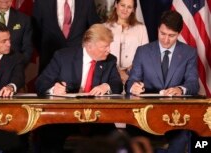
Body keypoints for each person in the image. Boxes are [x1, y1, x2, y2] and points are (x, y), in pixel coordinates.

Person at [126, 10, 199, 153]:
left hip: (175, 116)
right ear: (158, 29)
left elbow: (193, 84)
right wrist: (133, 87)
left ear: (179, 34)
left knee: (183, 138)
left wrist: (180, 89)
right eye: (162, 34)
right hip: (145, 115)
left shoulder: (189, 53)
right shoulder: (143, 51)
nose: (166, 40)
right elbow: (132, 80)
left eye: (171, 36)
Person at [36, 24, 123, 96]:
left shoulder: (110, 60)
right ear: (89, 46)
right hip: (67, 109)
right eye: (104, 47)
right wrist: (54, 89)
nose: (109, 50)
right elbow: (41, 82)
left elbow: (118, 84)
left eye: (109, 46)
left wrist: (106, 86)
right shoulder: (63, 57)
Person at [33, 0, 100, 73]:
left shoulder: (87, 2)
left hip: (78, 62)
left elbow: (94, 30)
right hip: (50, 61)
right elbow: (35, 33)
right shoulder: (42, 2)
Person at [104, 0, 149, 84]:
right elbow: (102, 53)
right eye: (122, 5)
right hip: (109, 75)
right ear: (116, 5)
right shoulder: (104, 27)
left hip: (134, 76)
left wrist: (128, 72)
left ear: (133, 9)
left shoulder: (141, 28)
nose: (125, 9)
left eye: (129, 7)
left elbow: (145, 56)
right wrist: (118, 72)